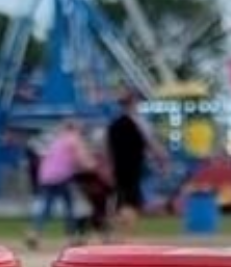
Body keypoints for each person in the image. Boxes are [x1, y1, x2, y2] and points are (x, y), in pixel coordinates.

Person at [27, 120, 94, 249]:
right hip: (62, 176)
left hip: (46, 176)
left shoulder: (58, 140)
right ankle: (70, 237)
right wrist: (93, 166)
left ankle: (34, 233)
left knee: (45, 207)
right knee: (69, 207)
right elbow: (83, 160)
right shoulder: (74, 139)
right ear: (74, 128)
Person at [105, 102, 158, 239]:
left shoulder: (113, 125)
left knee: (122, 198)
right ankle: (127, 233)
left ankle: (119, 229)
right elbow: (148, 142)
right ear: (131, 107)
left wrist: (109, 166)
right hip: (133, 167)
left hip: (119, 168)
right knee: (131, 200)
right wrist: (161, 157)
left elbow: (108, 149)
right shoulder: (136, 124)